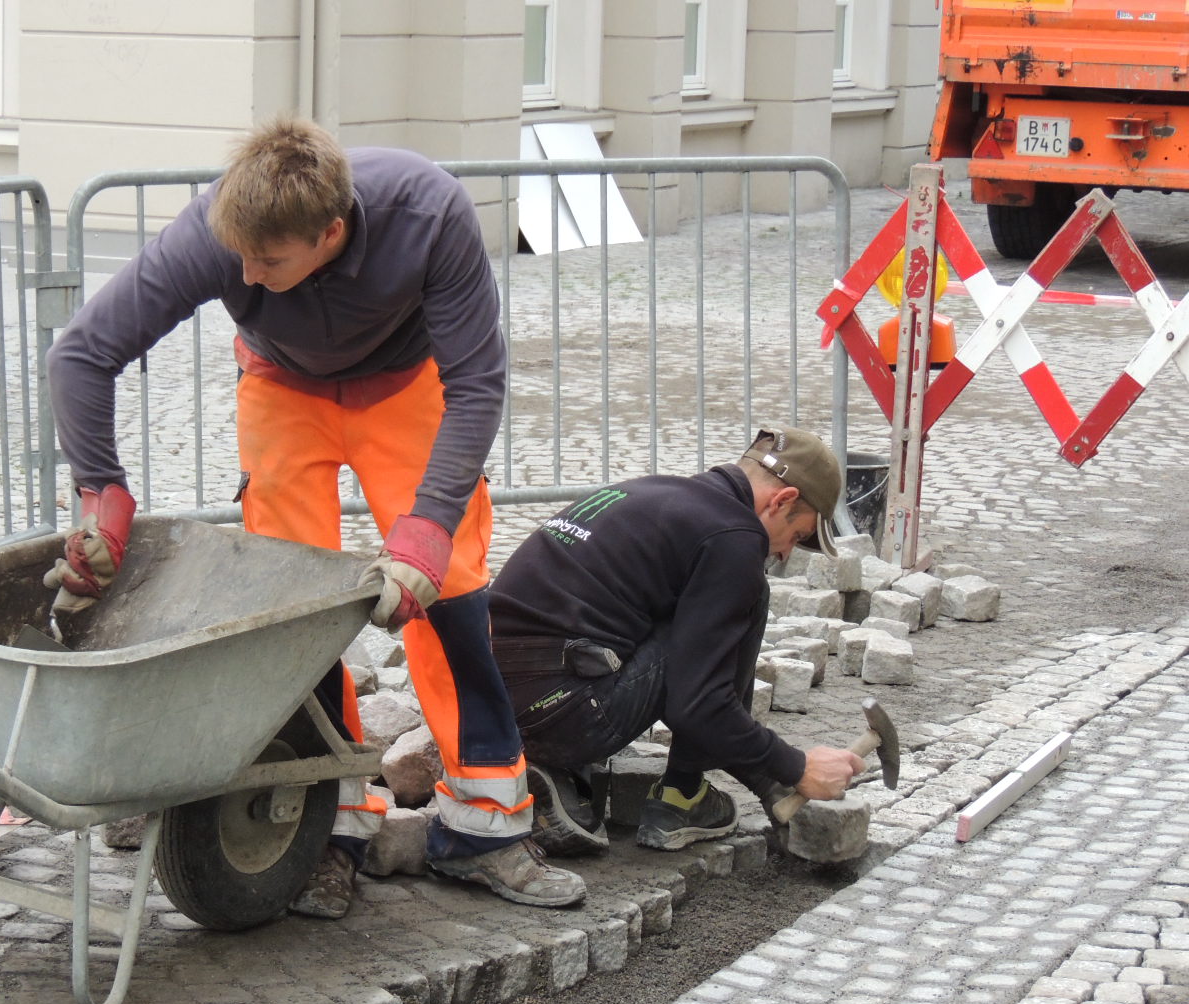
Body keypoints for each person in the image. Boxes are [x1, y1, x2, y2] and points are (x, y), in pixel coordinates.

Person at [43, 115, 586, 919]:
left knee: (450, 594)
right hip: (283, 388)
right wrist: (103, 501)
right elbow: (81, 354)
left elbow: (476, 381)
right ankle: (330, 829)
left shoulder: (430, 213)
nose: (246, 277)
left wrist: (428, 529)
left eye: (268, 261)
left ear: (330, 233)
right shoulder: (218, 232)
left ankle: (484, 830)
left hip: (405, 388)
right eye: (241, 258)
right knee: (292, 609)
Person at [488, 428, 867, 853]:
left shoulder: (652, 494)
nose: (783, 554)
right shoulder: (734, 538)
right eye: (796, 536)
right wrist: (794, 768)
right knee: (750, 596)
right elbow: (698, 704)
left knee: (686, 615)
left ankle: (549, 766)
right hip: (564, 715)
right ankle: (681, 795)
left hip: (489, 710)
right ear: (782, 501)